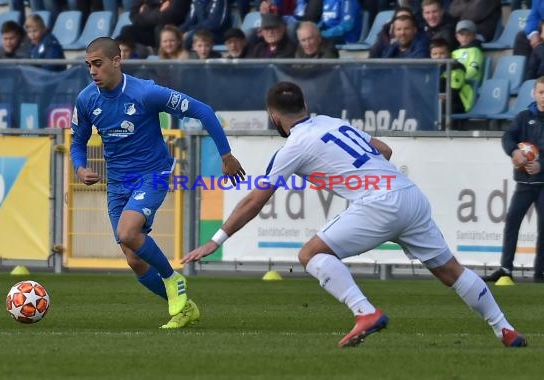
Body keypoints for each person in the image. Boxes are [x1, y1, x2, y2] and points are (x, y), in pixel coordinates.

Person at [182, 81, 528, 348]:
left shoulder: (294, 145)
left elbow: (255, 200)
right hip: (409, 195)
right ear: (305, 105)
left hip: (379, 202)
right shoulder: (333, 122)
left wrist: (217, 239)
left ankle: (365, 312)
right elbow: (385, 149)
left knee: (310, 255)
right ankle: (505, 328)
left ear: (274, 117)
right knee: (451, 271)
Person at [70, 37, 246, 328]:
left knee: (128, 232)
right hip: (117, 183)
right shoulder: (87, 99)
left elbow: (204, 111)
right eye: (89, 65)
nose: (92, 71)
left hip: (153, 174)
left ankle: (172, 278)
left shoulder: (146, 93)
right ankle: (184, 308)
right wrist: (79, 168)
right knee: (134, 258)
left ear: (117, 60)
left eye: (98, 64)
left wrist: (226, 155)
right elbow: (77, 141)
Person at [483, 77, 544, 284]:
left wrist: (541, 165)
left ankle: (540, 273)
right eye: (541, 92)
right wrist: (514, 151)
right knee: (512, 223)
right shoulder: (524, 116)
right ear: (534, 94)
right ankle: (506, 268)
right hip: (524, 183)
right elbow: (508, 137)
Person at [430, 37, 474, 114]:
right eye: (435, 54)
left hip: (458, 103)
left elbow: (453, 92)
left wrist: (436, 98)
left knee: (435, 108)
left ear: (449, 53)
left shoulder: (457, 68)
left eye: (442, 53)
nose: (438, 57)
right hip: (438, 101)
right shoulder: (430, 69)